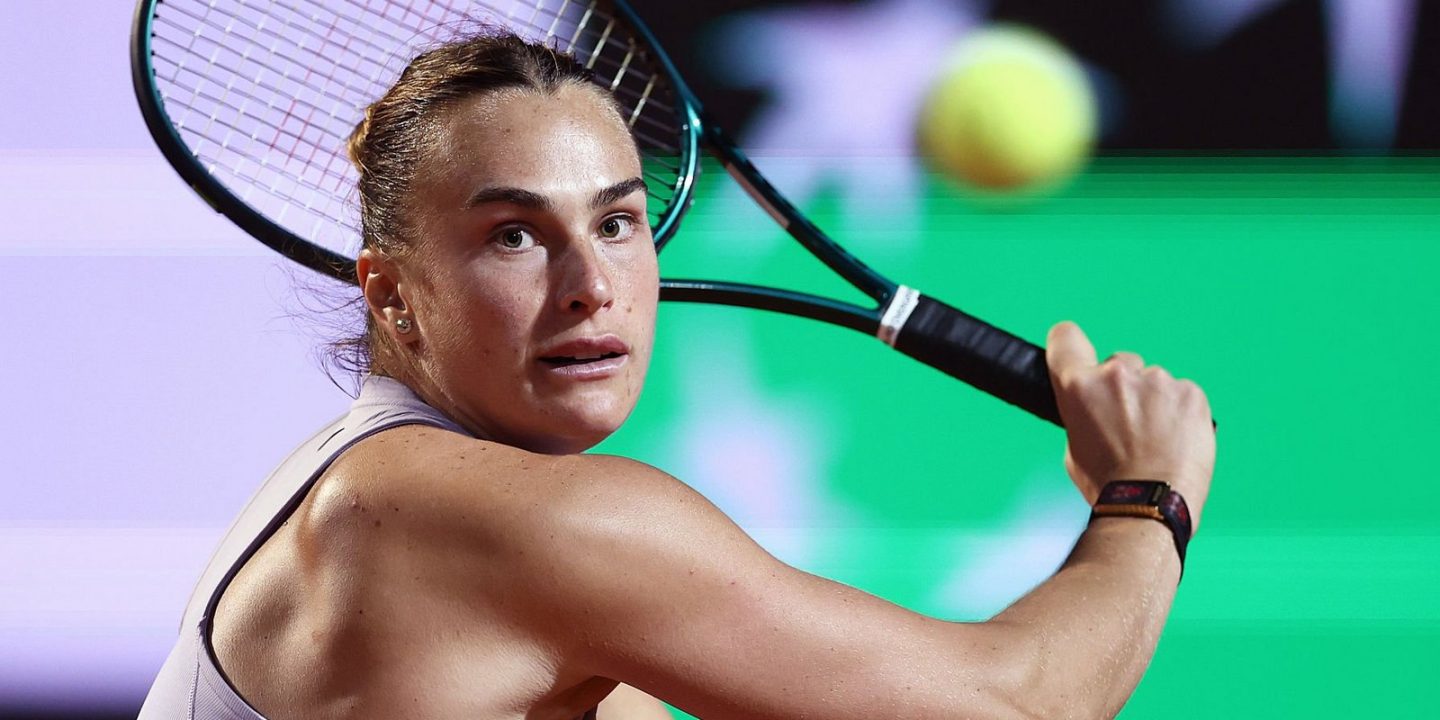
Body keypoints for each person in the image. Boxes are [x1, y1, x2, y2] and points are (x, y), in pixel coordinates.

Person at [139, 32, 1215, 720]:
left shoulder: (395, 504)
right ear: (391, 294)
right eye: (514, 235)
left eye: (616, 222)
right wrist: (1148, 491)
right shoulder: (509, 521)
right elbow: (1013, 709)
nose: (590, 286)